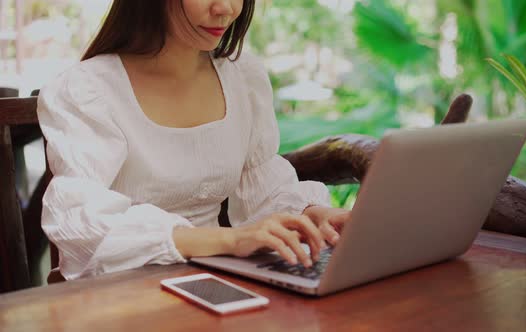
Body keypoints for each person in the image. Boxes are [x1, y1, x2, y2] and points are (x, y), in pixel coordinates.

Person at [38, 0, 351, 280]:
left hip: (214, 280)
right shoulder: (87, 90)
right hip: (120, 293)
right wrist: (231, 241)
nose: (225, 8)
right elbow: (78, 222)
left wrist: (310, 215)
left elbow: (265, 187)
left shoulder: (243, 77)